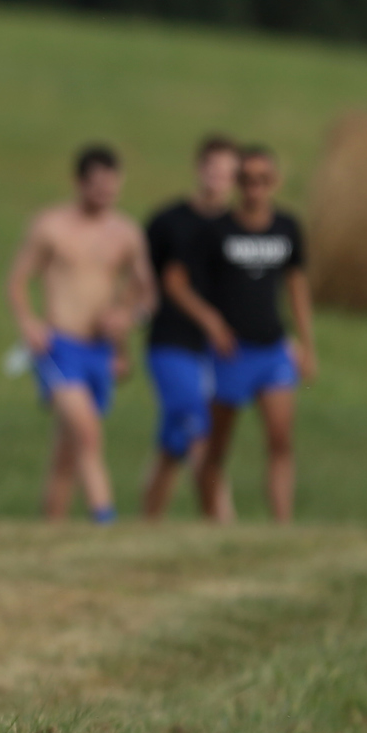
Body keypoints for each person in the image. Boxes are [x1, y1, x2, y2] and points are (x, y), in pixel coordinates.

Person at [6, 145, 155, 523]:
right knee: (88, 434)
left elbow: (145, 292)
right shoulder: (52, 226)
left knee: (68, 453)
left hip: (100, 350)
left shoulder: (126, 233)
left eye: (111, 187)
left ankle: (50, 530)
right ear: (80, 183)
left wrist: (126, 319)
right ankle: (105, 519)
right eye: (97, 187)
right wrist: (29, 322)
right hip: (59, 345)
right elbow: (19, 281)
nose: (105, 194)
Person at [169, 146, 316, 523]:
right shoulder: (216, 231)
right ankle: (210, 517)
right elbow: (176, 280)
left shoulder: (286, 228)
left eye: (263, 181)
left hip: (273, 350)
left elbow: (297, 285)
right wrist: (211, 323)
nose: (255, 189)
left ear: (275, 182)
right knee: (217, 446)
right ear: (237, 184)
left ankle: (282, 524)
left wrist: (306, 344)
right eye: (247, 181)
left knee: (281, 439)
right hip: (231, 354)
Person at [142, 137, 240, 519]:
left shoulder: (239, 228)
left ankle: (147, 523)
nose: (219, 178)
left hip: (222, 350)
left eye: (228, 172)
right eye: (213, 168)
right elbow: (142, 279)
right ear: (199, 168)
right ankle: (221, 523)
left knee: (174, 443)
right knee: (200, 429)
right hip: (172, 339)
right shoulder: (168, 222)